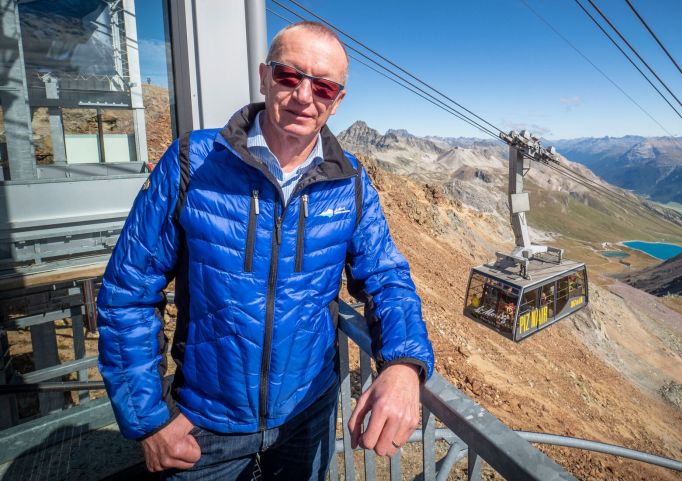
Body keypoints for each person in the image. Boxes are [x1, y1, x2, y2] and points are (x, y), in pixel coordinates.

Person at [96, 21, 434, 480]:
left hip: (307, 418)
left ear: (338, 100)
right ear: (264, 76)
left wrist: (403, 365)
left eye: (324, 86)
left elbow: (387, 277)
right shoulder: (191, 164)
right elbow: (127, 293)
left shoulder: (349, 182)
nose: (304, 96)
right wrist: (148, 421)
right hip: (203, 427)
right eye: (289, 76)